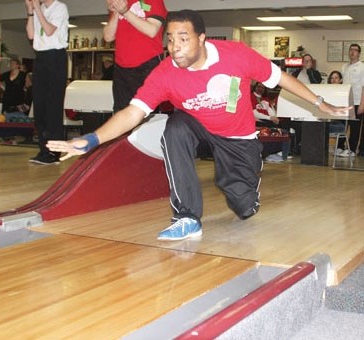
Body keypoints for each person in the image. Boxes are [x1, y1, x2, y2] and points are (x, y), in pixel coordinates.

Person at [47, 9, 350, 241]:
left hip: (238, 138)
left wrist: (320, 103)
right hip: (199, 127)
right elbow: (133, 113)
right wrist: (91, 139)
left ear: (202, 39)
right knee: (175, 127)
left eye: (183, 39)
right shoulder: (165, 72)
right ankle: (186, 217)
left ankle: (246, 191)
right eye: (169, 40)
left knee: (242, 206)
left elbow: (281, 79)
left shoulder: (237, 56)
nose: (174, 47)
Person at [25, 0, 69, 165]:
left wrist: (36, 8)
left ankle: (54, 152)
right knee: (40, 106)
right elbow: (31, 35)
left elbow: (49, 30)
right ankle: (44, 150)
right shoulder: (39, 8)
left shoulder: (60, 7)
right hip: (41, 57)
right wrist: (31, 12)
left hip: (56, 56)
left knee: (53, 106)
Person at [103, 0, 167, 112]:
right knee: (121, 111)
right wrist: (117, 11)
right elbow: (108, 37)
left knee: (146, 111)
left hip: (147, 64)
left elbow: (152, 30)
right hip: (121, 67)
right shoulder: (121, 4)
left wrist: (125, 12)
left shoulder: (153, 1)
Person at [250, 81, 290, 163]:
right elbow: (254, 113)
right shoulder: (250, 97)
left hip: (267, 120)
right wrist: (270, 118)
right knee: (281, 128)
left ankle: (284, 152)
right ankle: (279, 152)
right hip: (258, 121)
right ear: (254, 87)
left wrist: (275, 118)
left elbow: (271, 111)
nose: (260, 89)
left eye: (263, 87)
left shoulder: (265, 99)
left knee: (287, 124)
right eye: (259, 87)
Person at [341, 44, 364, 157]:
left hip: (357, 101)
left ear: (359, 53)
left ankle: (352, 150)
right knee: (345, 125)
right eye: (351, 50)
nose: (352, 52)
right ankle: (343, 147)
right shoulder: (344, 66)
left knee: (355, 127)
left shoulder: (362, 67)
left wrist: (362, 104)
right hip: (346, 101)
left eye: (355, 50)